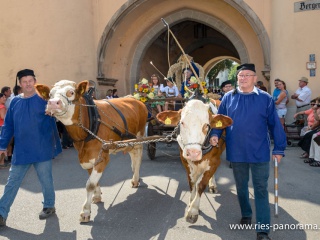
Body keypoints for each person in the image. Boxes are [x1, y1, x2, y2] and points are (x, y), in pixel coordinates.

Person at [209, 63, 286, 240]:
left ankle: (263, 230)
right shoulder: (228, 98)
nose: (242, 78)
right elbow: (219, 121)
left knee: (260, 188)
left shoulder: (265, 98)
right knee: (241, 187)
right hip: (237, 152)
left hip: (260, 152)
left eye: (246, 75)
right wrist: (215, 134)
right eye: (240, 75)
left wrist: (279, 149)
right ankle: (246, 212)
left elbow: (275, 125)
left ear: (254, 77)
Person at [0, 69, 62, 227]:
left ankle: (49, 206)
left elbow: (59, 114)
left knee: (46, 179)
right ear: (20, 84)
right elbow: (8, 125)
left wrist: (55, 112)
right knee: (12, 182)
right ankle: (1, 213)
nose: (28, 84)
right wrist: (2, 145)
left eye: (30, 81)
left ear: (35, 81)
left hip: (41, 148)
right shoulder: (14, 102)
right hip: (21, 150)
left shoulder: (44, 99)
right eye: (24, 81)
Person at [0, 93, 9, 169]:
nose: (4, 98)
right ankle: (2, 162)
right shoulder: (2, 107)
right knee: (3, 144)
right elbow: (3, 117)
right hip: (2, 126)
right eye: (3, 97)